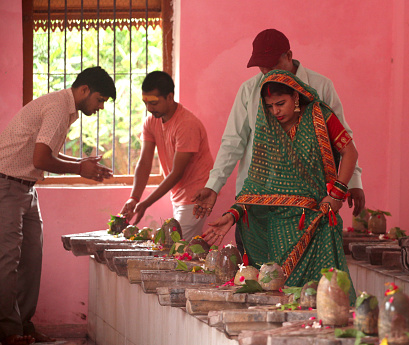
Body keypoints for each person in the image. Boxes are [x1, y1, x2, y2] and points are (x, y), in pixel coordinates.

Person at [192, 29, 365, 251]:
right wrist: (213, 186)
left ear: (289, 56)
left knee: (306, 282)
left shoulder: (321, 89)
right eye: (261, 68)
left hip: (308, 207)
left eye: (272, 66)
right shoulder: (249, 90)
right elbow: (232, 142)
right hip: (257, 202)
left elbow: (344, 142)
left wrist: (351, 183)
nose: (266, 72)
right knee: (258, 277)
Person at [203, 70, 357, 303]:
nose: (275, 111)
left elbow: (350, 152)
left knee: (322, 300)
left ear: (296, 97)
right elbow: (258, 184)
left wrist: (336, 195)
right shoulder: (269, 130)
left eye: (280, 104)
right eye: (270, 106)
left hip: (314, 224)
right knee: (281, 299)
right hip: (278, 230)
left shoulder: (321, 116)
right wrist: (233, 215)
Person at [0, 66, 116, 345]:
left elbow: (44, 152)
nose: (99, 107)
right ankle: (10, 332)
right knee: (6, 262)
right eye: (99, 100)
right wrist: (79, 169)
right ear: (84, 90)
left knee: (31, 260)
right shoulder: (60, 107)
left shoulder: (66, 109)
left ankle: (24, 326)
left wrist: (79, 166)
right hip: (4, 185)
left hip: (25, 187)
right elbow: (40, 160)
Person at [120, 71, 213, 241]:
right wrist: (134, 198)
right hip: (179, 195)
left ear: (170, 97)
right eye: (145, 102)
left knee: (176, 249)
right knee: (176, 249)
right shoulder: (151, 121)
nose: (149, 108)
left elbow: (177, 173)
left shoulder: (186, 124)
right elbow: (145, 162)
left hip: (196, 195)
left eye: (154, 103)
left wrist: (146, 203)